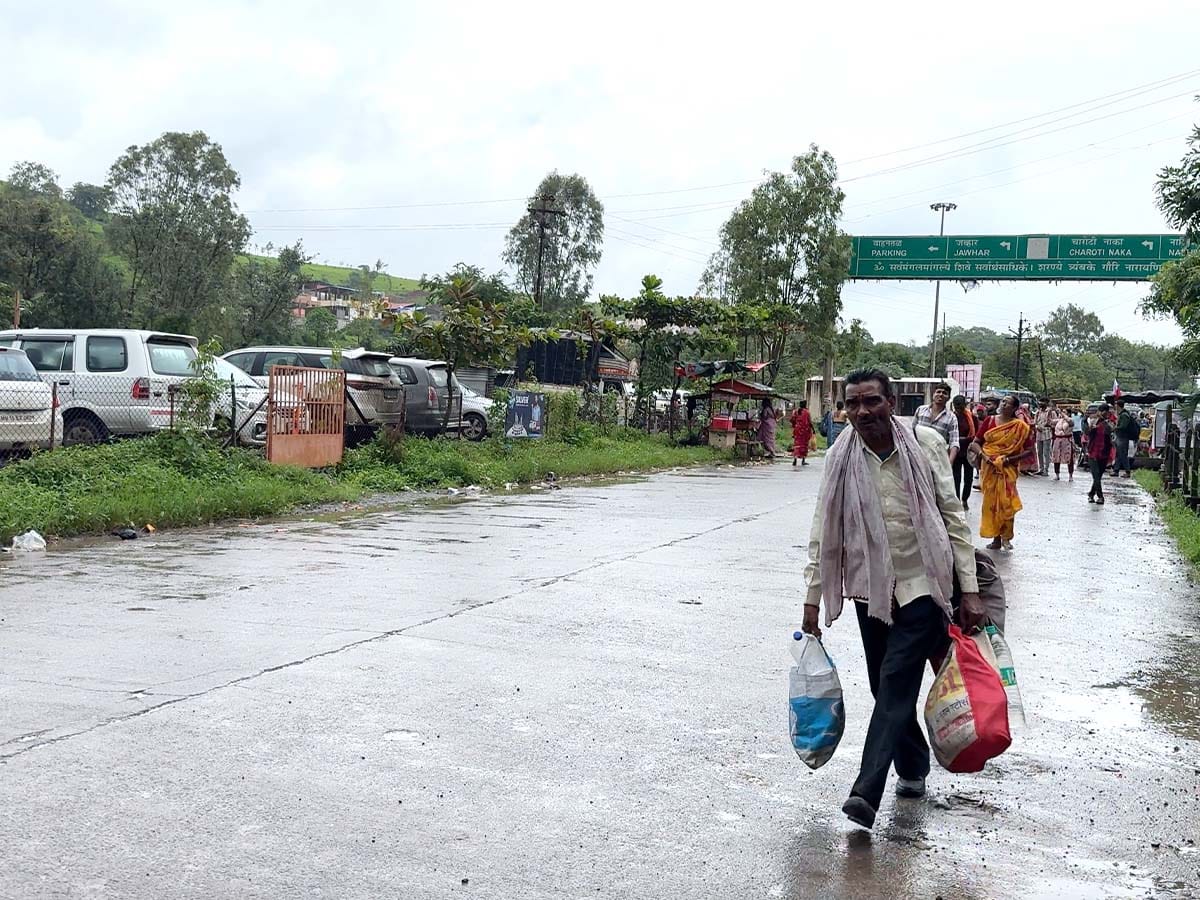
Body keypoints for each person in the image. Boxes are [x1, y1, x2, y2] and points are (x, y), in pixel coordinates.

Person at [801, 369, 984, 831]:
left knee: (897, 678)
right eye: (853, 404)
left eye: (872, 402)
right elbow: (823, 528)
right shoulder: (840, 456)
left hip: (924, 583)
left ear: (891, 402)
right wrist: (811, 596)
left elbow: (953, 516)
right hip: (872, 588)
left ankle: (865, 792)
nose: (862, 412)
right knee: (885, 688)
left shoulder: (925, 445)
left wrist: (971, 590)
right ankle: (914, 764)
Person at [971, 395, 1031, 551]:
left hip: (1008, 469)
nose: (1003, 404)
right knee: (991, 503)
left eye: (1007, 403)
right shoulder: (989, 421)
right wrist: (984, 456)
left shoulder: (1020, 427)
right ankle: (996, 538)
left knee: (1007, 503)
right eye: (1003, 401)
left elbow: (1030, 450)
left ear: (1014, 408)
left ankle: (1006, 537)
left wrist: (1009, 459)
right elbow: (975, 443)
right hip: (989, 468)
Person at [914, 382, 960, 462]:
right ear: (933, 394)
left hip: (938, 461)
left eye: (944, 393)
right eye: (938, 392)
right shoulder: (920, 410)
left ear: (948, 398)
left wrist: (949, 463)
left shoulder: (951, 418)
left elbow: (954, 442)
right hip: (918, 457)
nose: (941, 394)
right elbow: (911, 433)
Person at [951, 395, 976, 510]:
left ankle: (965, 498)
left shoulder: (972, 418)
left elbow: (976, 435)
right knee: (956, 477)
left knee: (968, 478)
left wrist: (963, 439)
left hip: (968, 451)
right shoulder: (950, 417)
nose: (958, 410)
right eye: (956, 407)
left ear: (964, 406)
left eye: (960, 407)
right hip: (955, 451)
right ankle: (956, 500)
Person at [1086, 403, 1114, 504]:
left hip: (1104, 452)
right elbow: (1087, 431)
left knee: (1099, 475)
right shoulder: (1092, 419)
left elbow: (1110, 431)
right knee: (1096, 475)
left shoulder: (1109, 422)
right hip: (1093, 451)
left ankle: (1091, 494)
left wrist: (1105, 422)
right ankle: (1100, 496)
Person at [1034, 399, 1059, 477]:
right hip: (1039, 434)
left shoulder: (1051, 412)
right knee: (1039, 452)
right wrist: (1037, 426)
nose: (1041, 403)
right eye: (1040, 402)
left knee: (1046, 452)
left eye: (1043, 402)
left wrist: (1050, 423)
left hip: (1047, 434)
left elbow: (1056, 421)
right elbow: (1035, 422)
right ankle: (1041, 469)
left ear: (1047, 403)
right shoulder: (1038, 412)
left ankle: (1046, 469)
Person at [1114, 399, 1138, 478]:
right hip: (1120, 437)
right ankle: (1116, 470)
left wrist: (1115, 428)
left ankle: (1127, 471)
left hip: (1123, 437)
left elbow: (1123, 426)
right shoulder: (1122, 414)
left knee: (1123, 455)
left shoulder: (1124, 415)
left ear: (1118, 406)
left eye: (1116, 405)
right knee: (1118, 454)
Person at [1051, 410, 1075, 481]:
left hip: (1066, 440)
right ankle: (1057, 474)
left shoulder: (1070, 420)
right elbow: (1050, 421)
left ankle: (1070, 475)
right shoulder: (1059, 420)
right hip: (1058, 440)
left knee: (1069, 458)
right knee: (1056, 457)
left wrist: (1063, 414)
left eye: (1065, 412)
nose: (1063, 413)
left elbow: (1069, 421)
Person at [790, 401, 813, 467]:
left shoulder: (796, 411)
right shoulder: (807, 412)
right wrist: (813, 430)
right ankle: (803, 460)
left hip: (797, 430)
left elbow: (792, 420)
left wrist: (795, 426)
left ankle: (795, 459)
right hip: (805, 431)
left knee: (797, 444)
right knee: (804, 445)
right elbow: (809, 422)